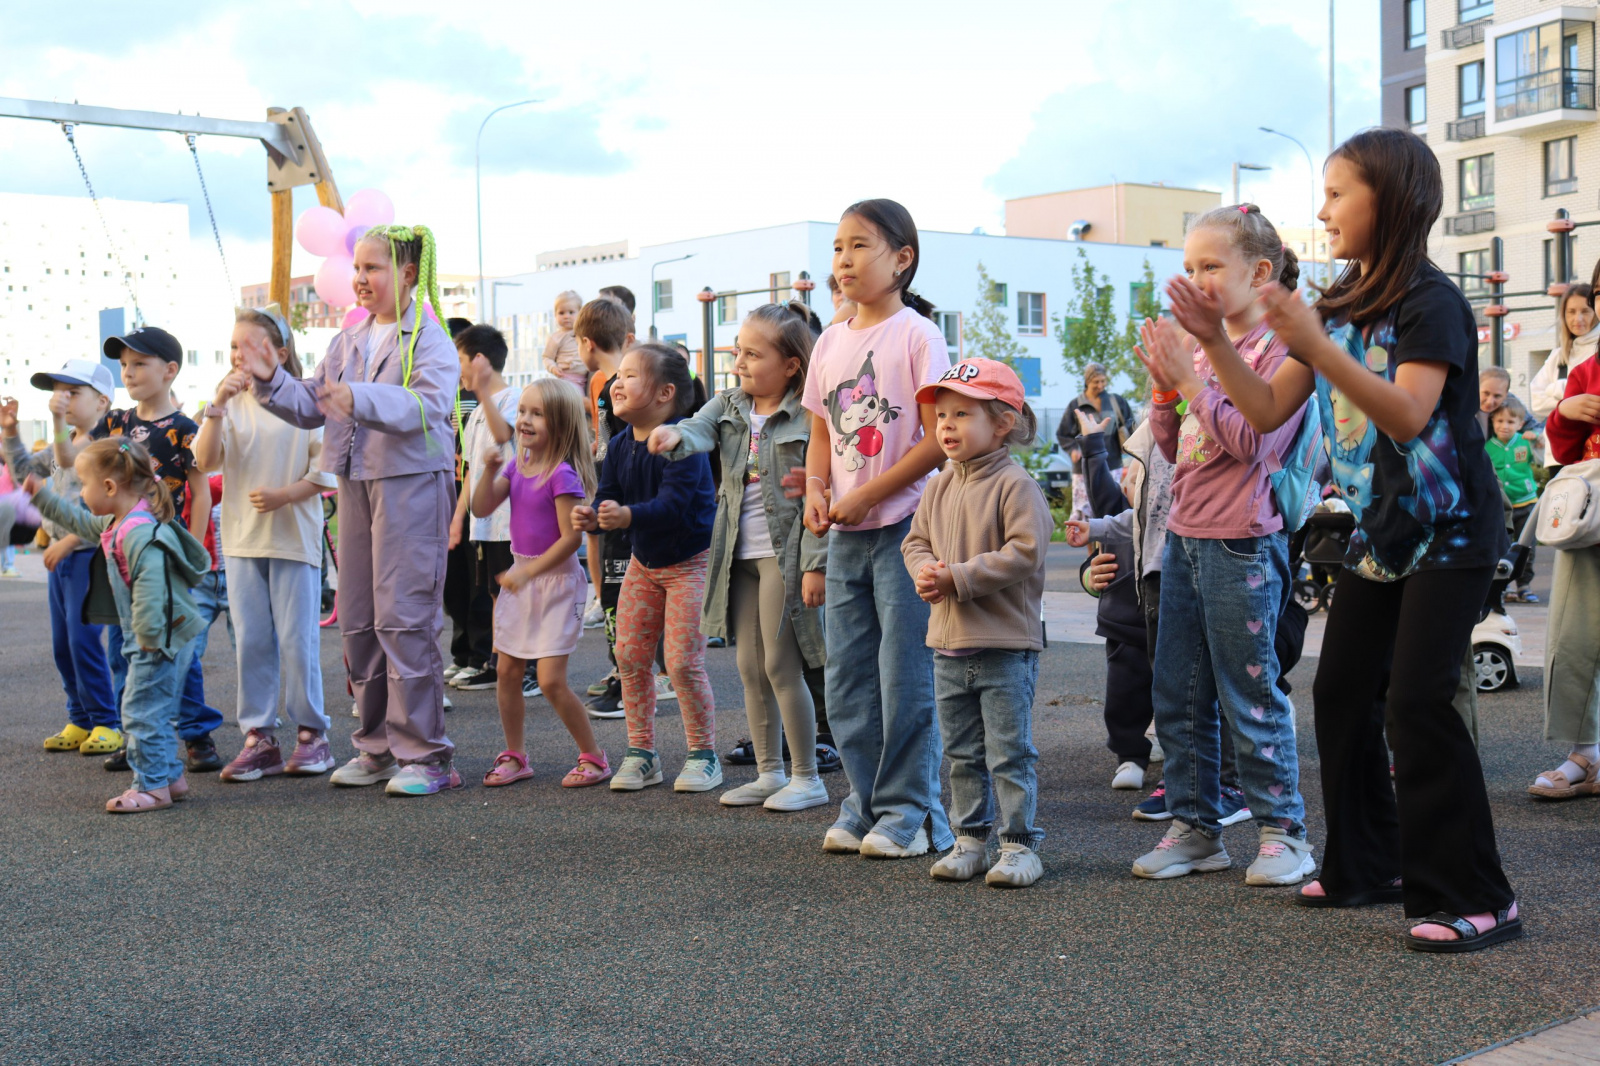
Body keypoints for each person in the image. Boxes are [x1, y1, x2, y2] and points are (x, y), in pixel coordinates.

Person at [1183, 128, 1519, 953]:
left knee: (1416, 701)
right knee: (1339, 693)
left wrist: (1317, 344)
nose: (1322, 209)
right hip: (1382, 532)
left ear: (1391, 202)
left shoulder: (1429, 302)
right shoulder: (1337, 301)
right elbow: (1265, 410)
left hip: (1453, 531)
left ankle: (1479, 893)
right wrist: (1218, 345)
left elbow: (1407, 414)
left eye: (1338, 193)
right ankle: (1369, 863)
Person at [1128, 203, 1314, 887]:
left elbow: (1248, 440)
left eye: (1211, 266)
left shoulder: (1282, 350)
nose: (1196, 280)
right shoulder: (1202, 351)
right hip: (1184, 537)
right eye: (1188, 268)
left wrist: (1190, 379)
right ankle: (1196, 828)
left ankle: (1282, 831)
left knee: (1250, 691)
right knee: (1176, 693)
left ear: (1259, 272)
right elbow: (1178, 451)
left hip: (1243, 542)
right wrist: (1162, 393)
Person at [243, 224, 463, 796]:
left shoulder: (429, 338)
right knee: (359, 618)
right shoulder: (348, 341)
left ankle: (426, 755)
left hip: (411, 484)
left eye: (374, 268)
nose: (360, 279)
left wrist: (357, 398)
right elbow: (313, 403)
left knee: (405, 617)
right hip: (357, 484)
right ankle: (377, 748)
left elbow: (431, 404)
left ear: (408, 274)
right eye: (358, 268)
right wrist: (270, 379)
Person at [800, 198, 954, 860]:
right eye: (837, 247)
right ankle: (864, 800)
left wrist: (867, 494)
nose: (843, 260)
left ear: (902, 259)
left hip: (905, 530)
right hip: (845, 535)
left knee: (905, 676)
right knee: (847, 676)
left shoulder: (918, 335)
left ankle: (909, 810)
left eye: (859, 245)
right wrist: (816, 489)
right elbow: (817, 431)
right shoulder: (831, 342)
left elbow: (937, 440)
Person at [648, 302, 829, 812]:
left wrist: (815, 562)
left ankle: (806, 775)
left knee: (780, 665)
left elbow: (822, 493)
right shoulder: (728, 404)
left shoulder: (809, 413)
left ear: (791, 364)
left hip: (784, 553)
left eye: (753, 354)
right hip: (736, 553)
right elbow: (697, 429)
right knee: (749, 667)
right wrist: (675, 435)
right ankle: (770, 772)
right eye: (737, 351)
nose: (740, 362)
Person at [902, 358, 1053, 887]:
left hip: (1005, 646)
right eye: (942, 414)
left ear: (1003, 422)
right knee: (963, 753)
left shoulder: (1015, 484)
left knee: (1009, 753)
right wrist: (925, 569)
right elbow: (915, 540)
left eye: (962, 413)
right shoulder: (940, 484)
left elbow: (1026, 552)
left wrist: (957, 578)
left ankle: (1018, 845)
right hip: (948, 646)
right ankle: (970, 840)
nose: (946, 425)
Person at [26, 438, 210, 812]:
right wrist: (42, 498)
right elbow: (78, 520)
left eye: (83, 485)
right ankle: (169, 777)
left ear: (109, 487)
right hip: (161, 633)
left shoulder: (137, 531)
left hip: (157, 636)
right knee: (152, 710)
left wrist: (145, 636)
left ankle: (151, 788)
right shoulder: (119, 520)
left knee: (141, 711)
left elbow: (152, 586)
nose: (81, 493)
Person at [194, 307, 338, 782]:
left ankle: (312, 734)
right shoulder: (230, 403)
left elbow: (326, 469)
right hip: (239, 537)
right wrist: (216, 404)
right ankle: (259, 736)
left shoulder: (306, 400)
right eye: (235, 345)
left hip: (293, 535)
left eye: (252, 345)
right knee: (252, 640)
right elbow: (205, 460)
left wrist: (284, 496)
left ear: (281, 352)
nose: (240, 355)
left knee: (298, 640)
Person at [572, 343, 718, 791]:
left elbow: (674, 505)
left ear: (664, 393)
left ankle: (703, 754)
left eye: (631, 375)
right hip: (645, 563)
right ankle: (642, 753)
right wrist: (593, 513)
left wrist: (628, 516)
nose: (618, 382)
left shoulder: (682, 441)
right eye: (620, 375)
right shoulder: (619, 444)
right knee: (630, 656)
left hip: (690, 564)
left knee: (681, 662)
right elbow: (608, 492)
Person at [93, 326, 220, 774]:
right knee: (126, 645)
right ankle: (139, 737)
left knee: (175, 645)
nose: (128, 372)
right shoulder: (115, 424)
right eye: (124, 365)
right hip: (120, 553)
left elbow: (201, 493)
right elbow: (89, 471)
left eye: (139, 364)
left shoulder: (186, 430)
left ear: (169, 371)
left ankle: (196, 731)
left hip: (164, 557)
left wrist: (193, 554)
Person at [472, 378, 612, 787]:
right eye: (522, 412)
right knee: (508, 671)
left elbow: (571, 540)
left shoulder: (561, 474)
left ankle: (594, 756)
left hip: (554, 582)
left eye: (537, 414)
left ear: (562, 424)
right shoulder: (517, 464)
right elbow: (482, 506)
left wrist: (527, 573)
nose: (525, 421)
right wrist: (489, 472)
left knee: (550, 680)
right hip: (522, 579)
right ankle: (515, 754)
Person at [0, 361, 119, 755]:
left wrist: (68, 541)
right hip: (60, 558)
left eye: (72, 393)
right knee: (62, 644)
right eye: (58, 391)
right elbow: (22, 475)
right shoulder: (62, 442)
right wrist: (11, 431)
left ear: (102, 401)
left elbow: (99, 501)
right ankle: (80, 717)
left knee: (84, 640)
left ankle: (107, 721)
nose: (61, 399)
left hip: (88, 555)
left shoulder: (105, 447)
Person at [1531, 344, 1600, 800]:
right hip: (1590, 515)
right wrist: (1565, 413)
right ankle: (1587, 753)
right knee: (1575, 637)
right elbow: (1560, 452)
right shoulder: (1587, 369)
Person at [448, 324, 524, 694]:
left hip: (510, 522)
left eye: (461, 360)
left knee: (514, 595)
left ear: (479, 360)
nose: (457, 369)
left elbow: (504, 434)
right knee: (495, 594)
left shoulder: (512, 398)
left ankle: (523, 666)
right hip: (486, 522)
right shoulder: (479, 407)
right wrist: (458, 518)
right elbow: (471, 470)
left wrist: (481, 389)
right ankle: (497, 662)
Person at [575, 296, 631, 655]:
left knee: (620, 585)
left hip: (623, 500)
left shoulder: (621, 386)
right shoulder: (606, 382)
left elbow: (625, 445)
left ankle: (627, 670)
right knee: (614, 584)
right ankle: (621, 668)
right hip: (611, 490)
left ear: (586, 343)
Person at [1055, 363, 1136, 521]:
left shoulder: (1116, 402)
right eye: (1096, 382)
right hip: (1084, 469)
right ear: (1087, 381)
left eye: (1103, 381)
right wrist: (1073, 449)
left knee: (1111, 511)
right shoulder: (1076, 405)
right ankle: (1090, 546)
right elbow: (1062, 434)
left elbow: (1131, 424)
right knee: (1085, 513)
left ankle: (1107, 546)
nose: (1100, 385)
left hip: (1112, 464)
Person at [1530, 285, 1597, 470]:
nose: (1578, 318)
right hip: (1556, 455)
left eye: (1585, 311)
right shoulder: (1558, 356)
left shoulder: (1596, 355)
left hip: (1589, 455)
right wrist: (1568, 401)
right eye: (1571, 312)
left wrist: (1555, 389)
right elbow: (1537, 402)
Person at [1487, 398, 1541, 602]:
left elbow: (1542, 458)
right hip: (1502, 506)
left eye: (1511, 422)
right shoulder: (1487, 447)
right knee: (1504, 544)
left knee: (1527, 547)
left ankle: (1524, 584)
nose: (1504, 426)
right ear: (1493, 422)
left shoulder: (1525, 442)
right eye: (1500, 421)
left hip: (1526, 503)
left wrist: (1537, 439)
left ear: (1520, 424)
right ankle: (1504, 584)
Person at [542, 290, 587, 391]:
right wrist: (553, 368)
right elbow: (547, 357)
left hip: (586, 378)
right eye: (561, 313)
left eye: (571, 312)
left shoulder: (585, 334)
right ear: (555, 315)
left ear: (580, 313)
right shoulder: (555, 337)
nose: (566, 316)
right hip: (566, 379)